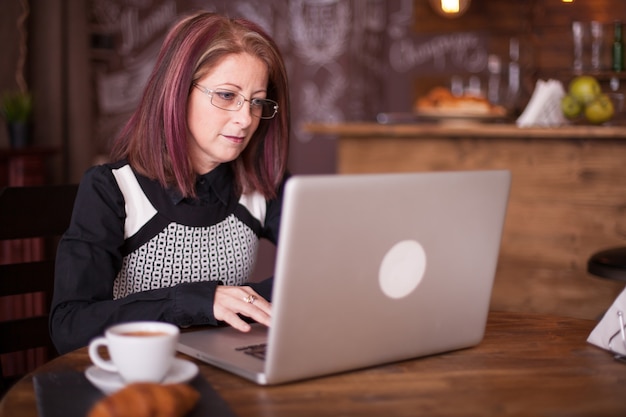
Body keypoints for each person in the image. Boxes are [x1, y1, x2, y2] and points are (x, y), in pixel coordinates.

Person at [50, 11, 290, 354]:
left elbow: (322, 269)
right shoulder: (111, 189)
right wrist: (200, 301)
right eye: (226, 95)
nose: (245, 118)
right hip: (134, 385)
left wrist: (244, 299)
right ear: (177, 92)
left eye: (256, 101)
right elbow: (69, 325)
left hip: (227, 375)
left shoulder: (263, 184)